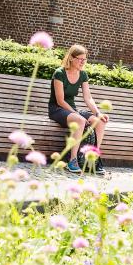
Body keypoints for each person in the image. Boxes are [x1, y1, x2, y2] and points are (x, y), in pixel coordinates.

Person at [48, 44, 108, 174]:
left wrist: (97, 113)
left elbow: (88, 98)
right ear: (71, 58)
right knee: (80, 121)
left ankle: (93, 159)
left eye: (84, 59)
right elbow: (60, 101)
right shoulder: (59, 73)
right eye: (80, 59)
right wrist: (76, 113)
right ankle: (72, 160)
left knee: (100, 121)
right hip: (57, 109)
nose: (82, 62)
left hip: (72, 110)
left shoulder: (83, 74)